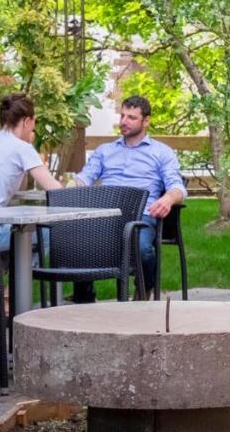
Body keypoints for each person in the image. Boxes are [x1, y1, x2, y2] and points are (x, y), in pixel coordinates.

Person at [70, 94, 186, 301]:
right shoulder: (105, 151)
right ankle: (84, 301)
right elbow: (84, 178)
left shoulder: (162, 152)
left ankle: (145, 289)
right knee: (77, 242)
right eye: (122, 116)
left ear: (146, 121)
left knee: (142, 250)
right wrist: (68, 185)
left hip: (141, 215)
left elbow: (177, 186)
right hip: (105, 215)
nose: (123, 122)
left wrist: (167, 199)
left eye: (131, 117)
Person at [0, 93, 62, 323]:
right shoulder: (22, 148)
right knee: (42, 233)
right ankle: (10, 296)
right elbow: (54, 189)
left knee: (17, 232)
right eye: (33, 123)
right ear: (27, 121)